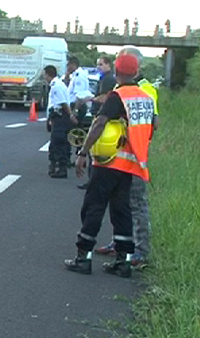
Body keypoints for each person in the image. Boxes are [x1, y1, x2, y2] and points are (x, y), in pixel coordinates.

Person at [64, 54, 155, 278]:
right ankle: (123, 262)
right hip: (132, 164)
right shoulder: (145, 98)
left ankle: (83, 258)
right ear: (136, 72)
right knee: (122, 212)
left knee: (94, 206)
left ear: (116, 71)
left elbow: (99, 124)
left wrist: (83, 152)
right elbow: (153, 127)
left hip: (110, 161)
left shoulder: (118, 96)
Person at [94, 46, 160, 269]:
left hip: (135, 156)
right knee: (119, 204)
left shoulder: (146, 89)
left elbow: (154, 123)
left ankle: (140, 251)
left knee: (136, 205)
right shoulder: (122, 86)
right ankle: (120, 244)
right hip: (119, 156)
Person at [77, 56, 117, 190]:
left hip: (101, 117)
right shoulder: (105, 78)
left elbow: (106, 97)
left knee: (93, 150)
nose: (98, 67)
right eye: (97, 64)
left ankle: (93, 182)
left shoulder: (108, 79)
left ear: (108, 65)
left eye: (101, 64)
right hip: (100, 115)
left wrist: (91, 99)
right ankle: (93, 180)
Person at [44, 65, 77, 178]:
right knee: (55, 144)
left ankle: (61, 169)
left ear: (48, 74)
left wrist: (70, 115)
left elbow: (63, 103)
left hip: (60, 117)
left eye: (45, 75)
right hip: (57, 116)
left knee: (58, 143)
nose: (44, 77)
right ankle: (55, 167)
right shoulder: (56, 84)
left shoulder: (57, 86)